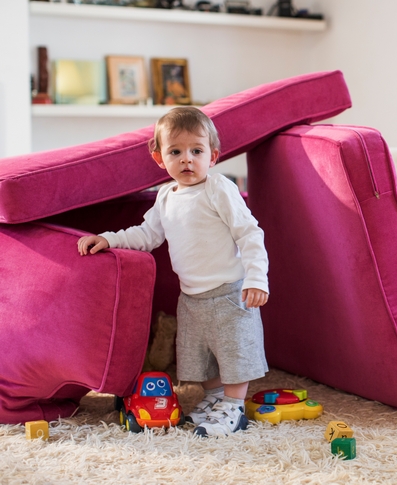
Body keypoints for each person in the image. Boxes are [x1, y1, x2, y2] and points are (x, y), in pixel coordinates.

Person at [77, 106, 269, 437]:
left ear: (213, 156)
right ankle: (214, 398)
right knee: (202, 354)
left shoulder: (218, 188)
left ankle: (234, 408)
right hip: (191, 296)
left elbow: (249, 233)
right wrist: (108, 239)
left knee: (235, 350)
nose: (186, 159)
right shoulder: (166, 196)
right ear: (159, 158)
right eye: (175, 152)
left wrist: (256, 277)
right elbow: (145, 235)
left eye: (197, 151)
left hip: (229, 291)